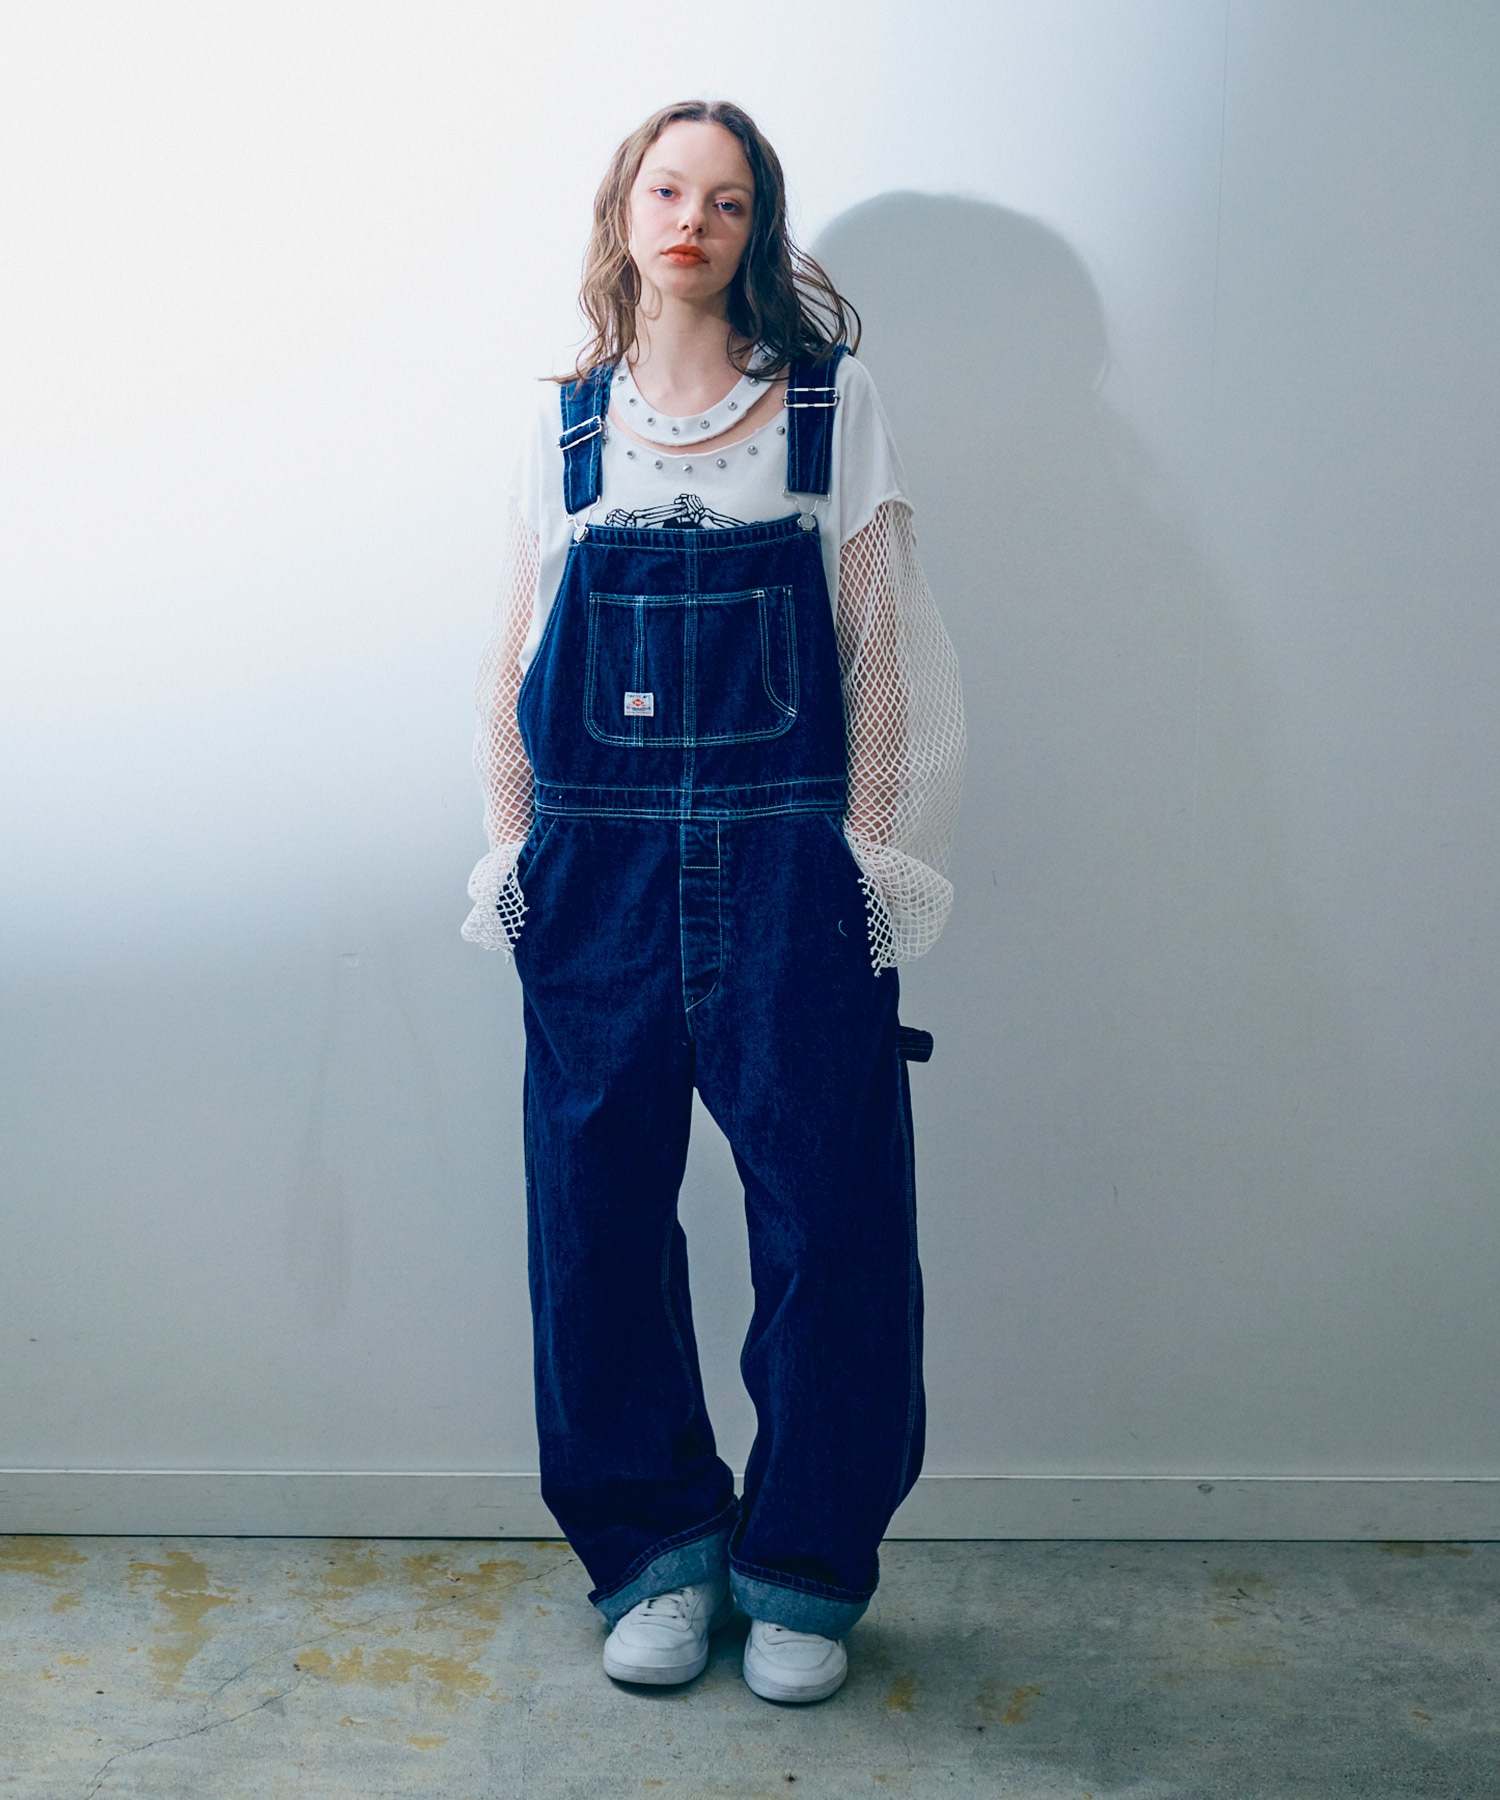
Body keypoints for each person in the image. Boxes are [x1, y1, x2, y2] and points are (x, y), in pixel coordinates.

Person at [463, 99, 965, 1704]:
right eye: (669, 190)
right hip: (594, 876)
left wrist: (867, 861)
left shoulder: (829, 403)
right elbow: (514, 658)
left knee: (831, 1223)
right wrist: (517, 860)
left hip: (791, 867)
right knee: (596, 1222)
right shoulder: (565, 423)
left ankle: (805, 1565)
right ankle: (657, 1554)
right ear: (625, 212)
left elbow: (881, 652)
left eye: (729, 200)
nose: (694, 219)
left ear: (759, 230)